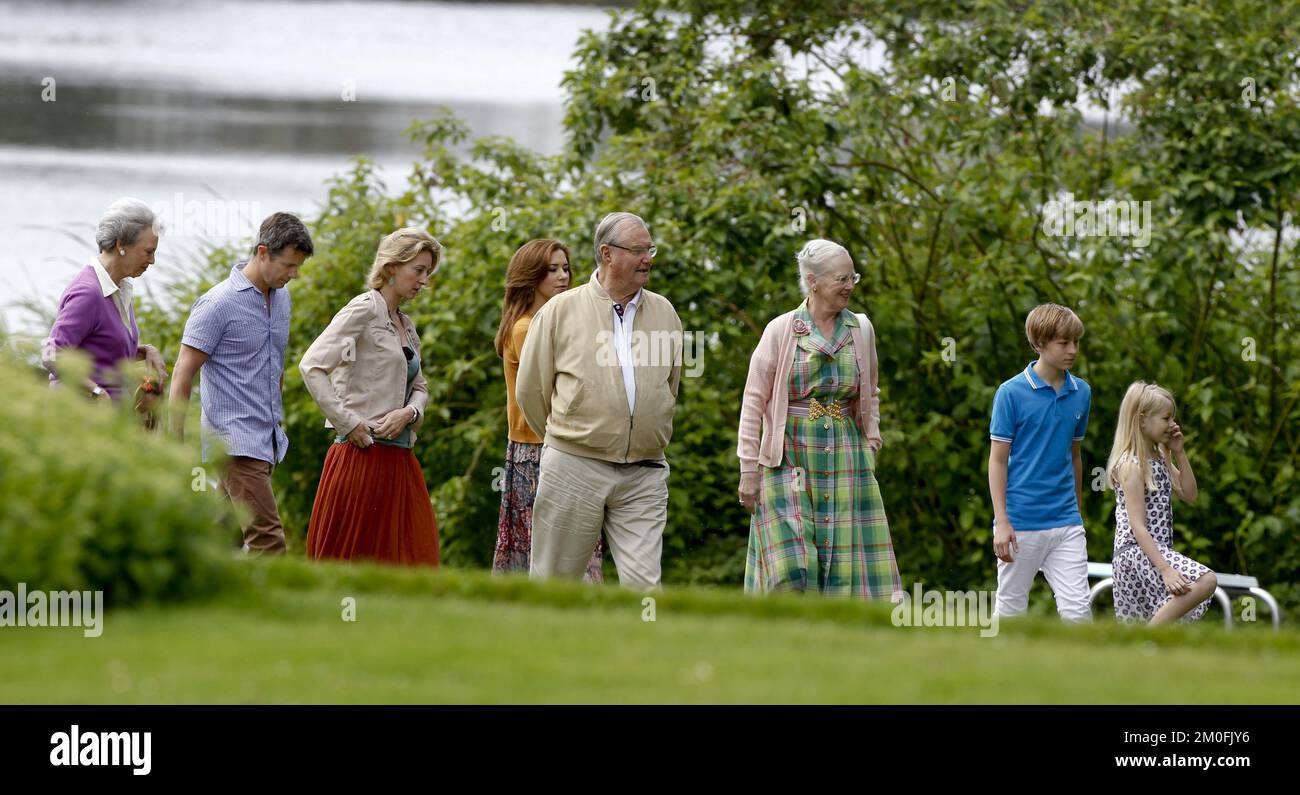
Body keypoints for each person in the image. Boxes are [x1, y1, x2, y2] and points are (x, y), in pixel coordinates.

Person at [516, 212, 681, 590]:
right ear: (607, 254)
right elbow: (531, 391)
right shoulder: (559, 311)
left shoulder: (664, 312)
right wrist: (571, 435)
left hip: (644, 470)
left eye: (649, 250)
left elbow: (670, 384)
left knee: (645, 586)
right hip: (575, 465)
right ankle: (543, 649)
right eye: (638, 250)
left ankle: (643, 650)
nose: (648, 259)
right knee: (555, 582)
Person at [736, 239, 902, 599]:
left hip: (846, 455)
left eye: (852, 277)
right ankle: (781, 641)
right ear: (813, 281)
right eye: (842, 279)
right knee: (790, 566)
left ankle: (841, 641)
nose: (850, 286)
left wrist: (871, 443)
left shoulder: (860, 329)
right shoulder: (780, 330)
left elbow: (870, 391)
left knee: (846, 568)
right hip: (787, 456)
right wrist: (749, 469)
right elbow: (753, 402)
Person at [169, 212, 313, 555]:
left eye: (298, 267)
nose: (293, 275)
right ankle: (275, 609)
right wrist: (174, 441)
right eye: (289, 265)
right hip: (233, 440)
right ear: (263, 252)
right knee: (268, 540)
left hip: (267, 437)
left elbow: (273, 365)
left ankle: (193, 590)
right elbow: (182, 373)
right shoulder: (217, 304)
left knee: (223, 537)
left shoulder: (283, 301)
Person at [299, 227, 441, 566]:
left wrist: (408, 414)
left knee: (411, 562)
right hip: (361, 457)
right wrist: (349, 424)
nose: (424, 281)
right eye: (418, 270)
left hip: (400, 462)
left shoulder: (406, 325)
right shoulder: (362, 310)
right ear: (392, 267)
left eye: (428, 273)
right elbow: (311, 366)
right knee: (351, 564)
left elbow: (420, 387)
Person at [492, 239, 603, 580]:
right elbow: (561, 388)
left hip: (561, 445)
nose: (563, 277)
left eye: (566, 268)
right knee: (549, 553)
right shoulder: (526, 328)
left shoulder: (551, 322)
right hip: (537, 450)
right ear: (531, 276)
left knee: (567, 548)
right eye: (552, 269)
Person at [989, 303, 1092, 620]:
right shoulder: (1010, 393)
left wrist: (1075, 509)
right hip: (1021, 524)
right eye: (1063, 343)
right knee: (1010, 610)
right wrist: (1002, 522)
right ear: (1039, 343)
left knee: (1078, 612)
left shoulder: (1081, 392)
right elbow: (997, 461)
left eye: (1075, 342)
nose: (1072, 350)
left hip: (1066, 523)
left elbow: (1074, 456)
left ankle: (1080, 672)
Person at [1107, 381, 1214, 623]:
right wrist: (1165, 569)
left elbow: (1189, 494)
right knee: (1205, 580)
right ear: (1143, 420)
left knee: (1150, 622)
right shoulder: (1132, 465)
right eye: (1166, 418)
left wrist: (1177, 452)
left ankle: (1142, 650)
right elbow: (1138, 527)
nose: (1173, 425)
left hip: (1154, 552)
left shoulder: (1158, 455)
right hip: (1136, 553)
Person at [42, 198, 169, 401]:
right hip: (75, 419)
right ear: (121, 244)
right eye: (148, 252)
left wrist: (146, 351)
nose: (152, 260)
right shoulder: (88, 292)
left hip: (108, 424)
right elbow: (51, 353)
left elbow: (101, 351)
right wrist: (96, 393)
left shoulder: (119, 287)